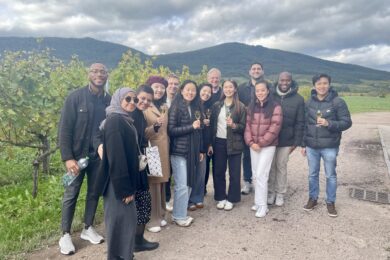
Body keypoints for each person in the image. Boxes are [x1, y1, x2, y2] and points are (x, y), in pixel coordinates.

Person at [58, 63, 110, 255]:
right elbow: (64, 129)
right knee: (71, 194)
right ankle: (65, 234)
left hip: (97, 156)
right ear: (89, 74)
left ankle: (88, 227)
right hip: (76, 158)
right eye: (95, 71)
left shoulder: (108, 100)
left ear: (107, 76)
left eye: (102, 72)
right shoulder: (75, 98)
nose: (99, 75)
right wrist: (67, 157)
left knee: (94, 192)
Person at [301, 74, 352, 217]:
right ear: (314, 86)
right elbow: (306, 125)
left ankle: (330, 202)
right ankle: (313, 198)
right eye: (319, 83)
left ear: (329, 84)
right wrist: (303, 144)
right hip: (311, 146)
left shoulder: (338, 102)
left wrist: (329, 123)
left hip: (329, 146)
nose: (322, 86)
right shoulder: (308, 102)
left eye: (325, 83)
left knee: (330, 175)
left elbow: (347, 122)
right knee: (312, 174)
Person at [100, 88, 138, 260]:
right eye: (127, 98)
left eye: (134, 100)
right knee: (118, 223)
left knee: (125, 222)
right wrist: (125, 189)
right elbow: (116, 156)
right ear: (117, 99)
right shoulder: (115, 120)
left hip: (122, 180)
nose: (132, 102)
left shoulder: (124, 119)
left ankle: (125, 255)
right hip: (117, 182)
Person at [168, 80, 204, 227]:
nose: (190, 92)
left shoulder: (196, 107)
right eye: (187, 89)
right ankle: (178, 216)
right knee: (182, 184)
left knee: (188, 183)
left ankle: (180, 213)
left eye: (193, 90)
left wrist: (200, 149)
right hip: (179, 152)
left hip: (192, 151)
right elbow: (171, 130)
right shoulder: (176, 107)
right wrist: (191, 127)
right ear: (181, 91)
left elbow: (199, 131)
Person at [244, 80, 282, 218]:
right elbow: (247, 126)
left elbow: (275, 127)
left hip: (267, 146)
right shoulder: (251, 106)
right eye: (257, 90)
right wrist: (251, 142)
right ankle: (258, 202)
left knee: (261, 174)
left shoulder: (275, 106)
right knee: (255, 174)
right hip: (253, 145)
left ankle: (263, 206)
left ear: (267, 91)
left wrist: (261, 143)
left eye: (262, 90)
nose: (260, 92)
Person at [268, 72, 304, 207]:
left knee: (281, 166)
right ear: (278, 80)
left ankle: (280, 193)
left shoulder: (298, 99)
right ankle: (270, 192)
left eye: (287, 81)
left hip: (287, 140)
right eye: (282, 80)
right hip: (270, 140)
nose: (284, 83)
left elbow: (300, 122)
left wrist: (296, 142)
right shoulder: (270, 95)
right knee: (270, 167)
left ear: (291, 81)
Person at [209, 80, 246, 211]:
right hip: (219, 142)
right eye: (226, 87)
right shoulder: (216, 105)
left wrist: (234, 125)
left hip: (235, 143)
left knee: (234, 173)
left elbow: (243, 127)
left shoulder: (241, 106)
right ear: (222, 88)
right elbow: (212, 126)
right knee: (219, 171)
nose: (228, 89)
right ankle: (220, 197)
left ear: (235, 89)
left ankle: (232, 198)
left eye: (231, 87)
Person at [130, 85, 159, 251]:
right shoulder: (129, 114)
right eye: (142, 98)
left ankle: (138, 240)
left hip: (140, 162)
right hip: (132, 165)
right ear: (136, 96)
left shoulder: (139, 115)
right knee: (139, 203)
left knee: (143, 202)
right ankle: (134, 242)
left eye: (149, 100)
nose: (145, 102)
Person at [144, 76, 170, 233]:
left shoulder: (163, 106)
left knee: (161, 183)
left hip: (164, 148)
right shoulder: (145, 106)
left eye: (162, 87)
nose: (159, 90)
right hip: (151, 149)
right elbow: (142, 132)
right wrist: (155, 125)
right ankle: (151, 219)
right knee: (153, 183)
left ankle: (160, 214)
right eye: (156, 87)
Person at [238, 62, 265, 195]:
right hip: (247, 126)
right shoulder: (242, 88)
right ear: (249, 72)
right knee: (247, 155)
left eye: (258, 69)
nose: (256, 71)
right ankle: (248, 182)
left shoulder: (268, 86)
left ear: (262, 71)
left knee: (263, 155)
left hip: (263, 128)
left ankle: (262, 181)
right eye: (253, 69)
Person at [188, 83, 212, 210]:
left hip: (203, 145)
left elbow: (205, 130)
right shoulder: (192, 105)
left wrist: (207, 145)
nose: (206, 94)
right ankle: (189, 200)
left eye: (209, 92)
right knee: (191, 173)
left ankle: (198, 198)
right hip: (193, 145)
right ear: (199, 91)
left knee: (201, 173)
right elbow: (195, 129)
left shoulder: (206, 107)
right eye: (204, 91)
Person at [204, 68, 222, 194]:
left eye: (216, 78)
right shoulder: (204, 93)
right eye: (212, 78)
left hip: (219, 134)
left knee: (218, 165)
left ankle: (218, 190)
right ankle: (202, 188)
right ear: (207, 79)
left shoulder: (223, 93)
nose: (214, 80)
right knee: (204, 165)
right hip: (205, 134)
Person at [165, 73, 180, 212]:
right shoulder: (160, 101)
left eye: (176, 84)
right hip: (163, 141)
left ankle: (174, 198)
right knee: (165, 171)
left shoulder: (180, 100)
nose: (173, 86)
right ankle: (166, 199)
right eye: (171, 83)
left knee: (175, 170)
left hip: (176, 140)